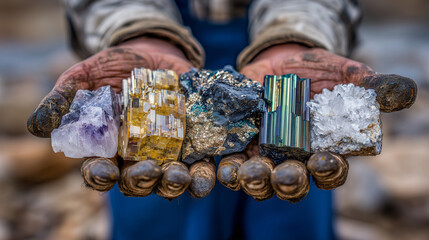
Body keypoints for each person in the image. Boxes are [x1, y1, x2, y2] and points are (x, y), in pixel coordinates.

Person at [27, 0, 416, 239]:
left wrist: (296, 36)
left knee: (287, 216)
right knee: (155, 212)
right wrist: (137, 33)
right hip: (154, 44)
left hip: (278, 40)